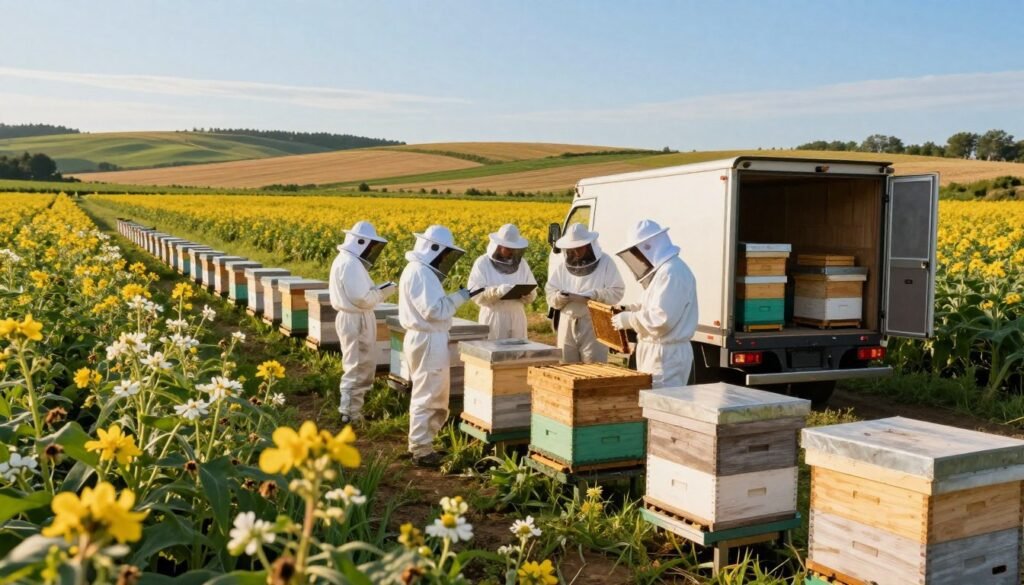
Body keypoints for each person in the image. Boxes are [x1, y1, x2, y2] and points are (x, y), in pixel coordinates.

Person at [398, 225, 470, 468]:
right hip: (428, 338)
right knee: (428, 392)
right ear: (434, 249)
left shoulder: (419, 271)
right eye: (443, 254)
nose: (444, 259)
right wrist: (461, 296)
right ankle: (420, 448)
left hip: (427, 337)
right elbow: (434, 310)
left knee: (429, 390)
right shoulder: (420, 272)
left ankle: (422, 442)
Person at [610, 219, 698, 388]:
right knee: (650, 405)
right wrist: (627, 309)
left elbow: (661, 320)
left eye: (637, 252)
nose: (637, 257)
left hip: (666, 355)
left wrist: (629, 319)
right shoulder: (662, 272)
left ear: (648, 247)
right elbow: (647, 305)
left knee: (662, 407)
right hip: (655, 350)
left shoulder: (672, 272)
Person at [329, 221, 396, 425]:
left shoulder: (348, 261)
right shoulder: (349, 263)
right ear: (361, 242)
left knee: (362, 365)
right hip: (355, 318)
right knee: (356, 366)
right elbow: (362, 298)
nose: (371, 250)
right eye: (370, 246)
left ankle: (353, 410)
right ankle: (349, 413)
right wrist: (384, 292)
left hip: (357, 317)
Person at [545, 223, 625, 363]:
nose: (575, 252)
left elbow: (617, 292)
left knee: (593, 367)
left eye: (579, 248)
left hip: (595, 321)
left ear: (589, 245)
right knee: (566, 366)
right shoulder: (563, 266)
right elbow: (550, 292)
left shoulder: (606, 262)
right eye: (572, 249)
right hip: (567, 320)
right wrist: (559, 298)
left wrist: (596, 295)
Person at [467, 224, 537, 340]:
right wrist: (496, 292)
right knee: (494, 353)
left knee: (517, 354)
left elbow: (532, 289)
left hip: (517, 316)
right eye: (509, 249)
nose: (512, 252)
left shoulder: (522, 264)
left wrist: (528, 295)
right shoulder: (482, 263)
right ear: (499, 246)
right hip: (494, 316)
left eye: (514, 249)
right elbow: (475, 293)